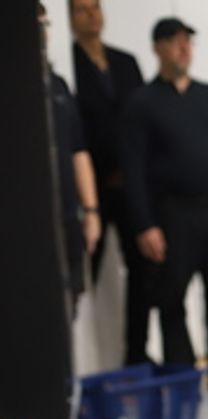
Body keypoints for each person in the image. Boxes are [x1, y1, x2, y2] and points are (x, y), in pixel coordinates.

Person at [123, 16, 208, 393]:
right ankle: (181, 376)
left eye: (187, 41)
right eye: (173, 41)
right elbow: (132, 170)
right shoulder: (143, 104)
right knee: (171, 299)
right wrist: (144, 224)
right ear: (158, 48)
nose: (183, 47)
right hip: (173, 213)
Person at [69, 0, 151, 365]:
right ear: (71, 18)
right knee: (84, 269)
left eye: (96, 8)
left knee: (143, 270)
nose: (92, 16)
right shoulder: (69, 64)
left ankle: (137, 352)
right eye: (83, 10)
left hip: (130, 182)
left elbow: (139, 118)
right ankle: (78, 359)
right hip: (94, 186)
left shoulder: (125, 62)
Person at [41, 1, 101, 307]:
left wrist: (91, 211)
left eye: (45, 24)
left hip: (67, 217)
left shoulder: (58, 85)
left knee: (70, 301)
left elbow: (79, 151)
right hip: (29, 224)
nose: (41, 32)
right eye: (35, 25)